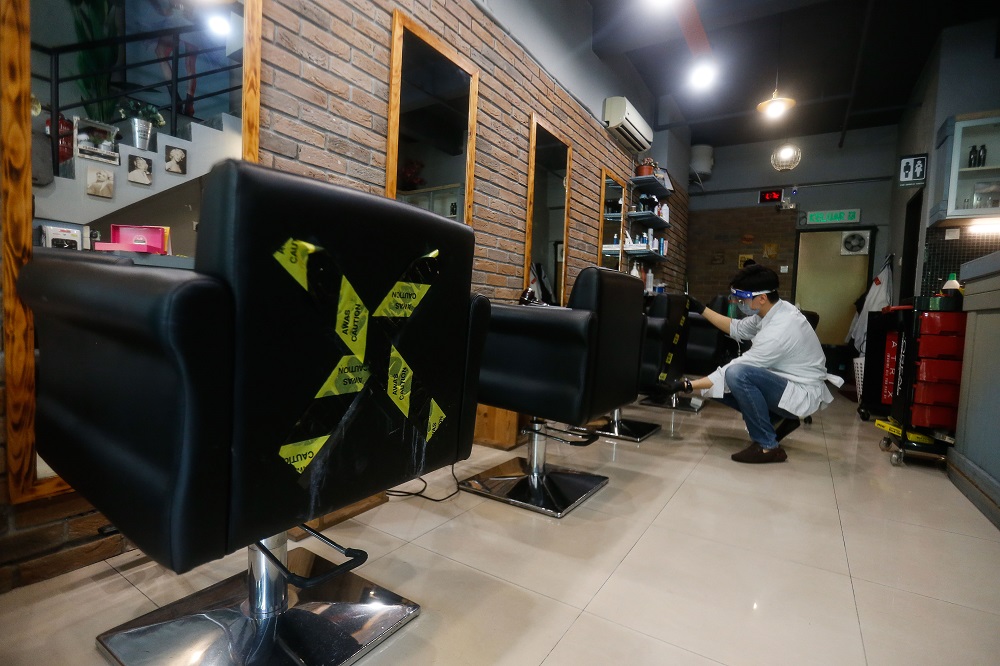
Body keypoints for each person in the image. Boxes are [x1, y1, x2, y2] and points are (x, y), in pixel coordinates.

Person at [666, 264, 844, 464]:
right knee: (719, 386)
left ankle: (768, 446)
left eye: (742, 298)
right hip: (786, 383)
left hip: (801, 392)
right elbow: (737, 328)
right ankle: (776, 420)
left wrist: (686, 385)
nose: (737, 302)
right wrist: (702, 309)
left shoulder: (780, 330)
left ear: (761, 298)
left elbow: (734, 370)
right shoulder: (772, 310)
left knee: (736, 375)